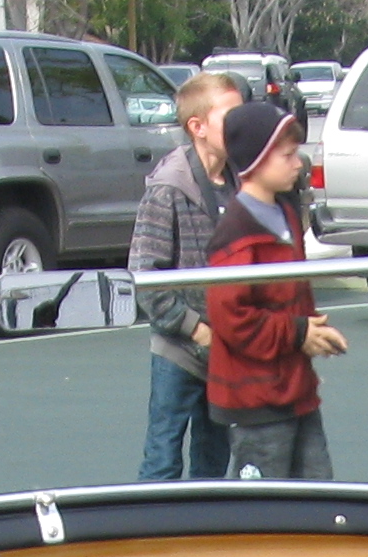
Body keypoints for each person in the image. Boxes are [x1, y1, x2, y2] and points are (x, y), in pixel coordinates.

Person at [202, 98, 347, 482]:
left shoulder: (286, 214)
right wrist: (299, 333)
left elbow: (294, 297)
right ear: (255, 162)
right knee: (263, 502)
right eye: (286, 155)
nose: (298, 163)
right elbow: (232, 318)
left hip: (295, 390)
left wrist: (312, 333)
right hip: (256, 400)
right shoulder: (235, 233)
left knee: (317, 489)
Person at [132, 70, 241, 483]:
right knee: (162, 461)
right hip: (179, 349)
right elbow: (146, 278)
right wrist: (197, 330)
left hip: (229, 349)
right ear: (198, 127)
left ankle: (206, 524)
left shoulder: (244, 183)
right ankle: (151, 525)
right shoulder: (168, 188)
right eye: (230, 116)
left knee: (213, 462)